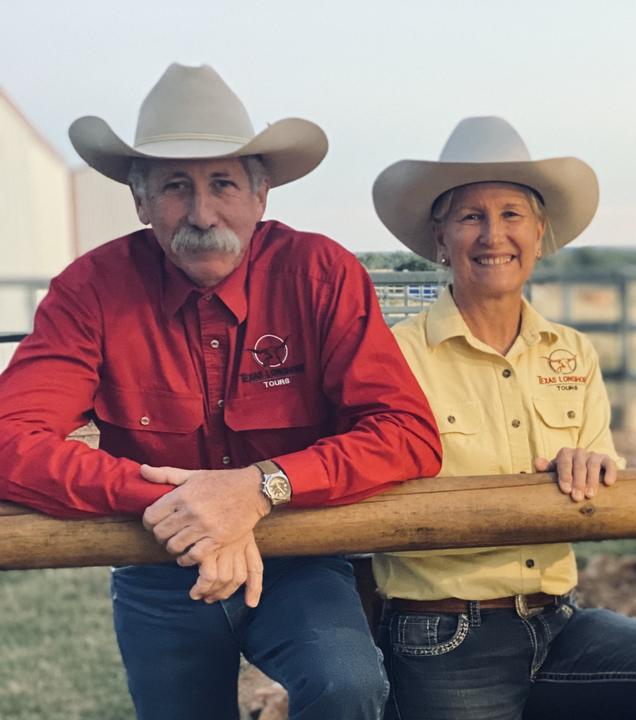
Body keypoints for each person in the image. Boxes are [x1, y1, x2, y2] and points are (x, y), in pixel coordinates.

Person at [0, 63, 442, 719]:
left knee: (347, 685)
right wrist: (188, 503)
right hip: (155, 556)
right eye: (176, 186)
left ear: (261, 195)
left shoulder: (319, 272)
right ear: (141, 201)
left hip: (299, 552)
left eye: (223, 184)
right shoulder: (93, 289)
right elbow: (9, 440)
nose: (202, 213)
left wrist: (262, 487)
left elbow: (407, 434)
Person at [369, 116, 636, 720]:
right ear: (440, 239)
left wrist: (593, 467)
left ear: (540, 234)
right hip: (444, 632)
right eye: (471, 216)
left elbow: (598, 469)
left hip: (558, 619)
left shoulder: (571, 350)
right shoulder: (396, 356)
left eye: (512, 214)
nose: (494, 234)